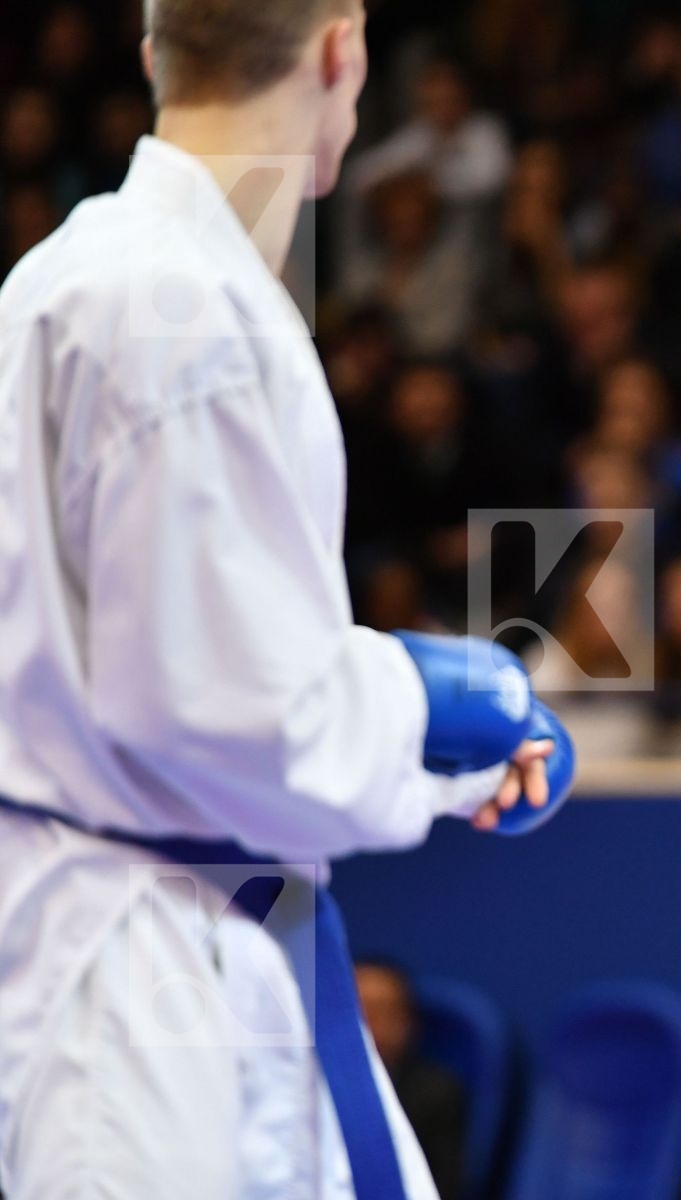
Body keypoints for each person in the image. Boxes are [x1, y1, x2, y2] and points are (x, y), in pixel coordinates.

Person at [0, 0, 573, 1196]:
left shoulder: (70, 277)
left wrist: (451, 753)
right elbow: (221, 708)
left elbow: (198, 664)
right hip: (133, 982)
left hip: (178, 920)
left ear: (155, 53)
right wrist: (429, 704)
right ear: (340, 52)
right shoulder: (173, 308)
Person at [356, 961, 468, 1200]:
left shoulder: (434, 1094)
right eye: (360, 1012)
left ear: (407, 1023)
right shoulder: (310, 1091)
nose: (369, 1025)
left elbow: (442, 1187)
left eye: (381, 1012)